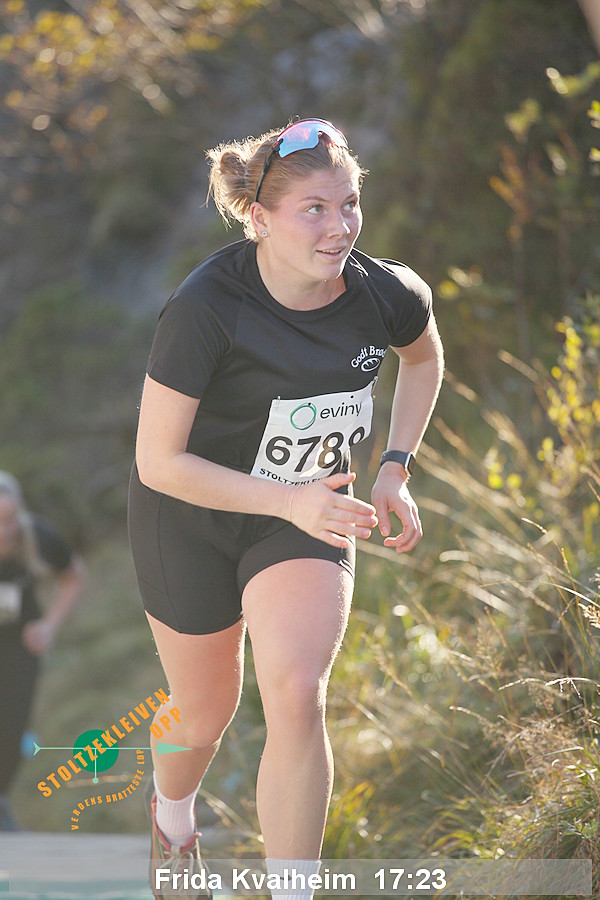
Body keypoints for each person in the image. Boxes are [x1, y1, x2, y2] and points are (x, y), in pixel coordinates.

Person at [128, 117, 444, 899]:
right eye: (314, 209)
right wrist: (286, 499)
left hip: (311, 513)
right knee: (203, 713)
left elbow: (424, 357)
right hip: (189, 514)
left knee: (298, 693)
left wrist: (395, 468)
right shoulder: (207, 306)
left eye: (349, 203)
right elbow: (158, 461)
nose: (340, 227)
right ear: (258, 218)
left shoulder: (385, 293)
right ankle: (173, 817)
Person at [0, 471, 85, 831]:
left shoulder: (37, 537)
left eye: (10, 519)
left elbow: (74, 576)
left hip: (20, 642)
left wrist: (50, 625)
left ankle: (1, 799)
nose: (5, 531)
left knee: (12, 723)